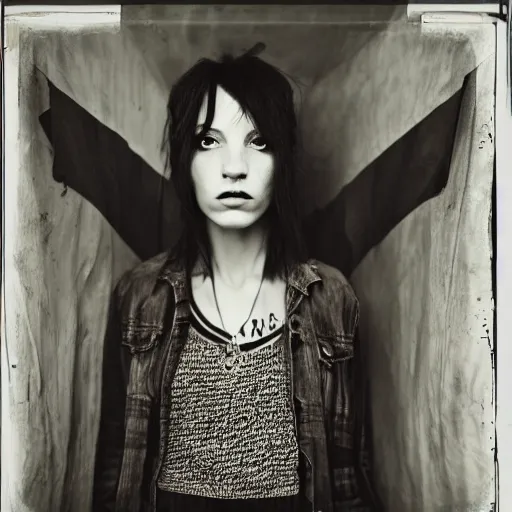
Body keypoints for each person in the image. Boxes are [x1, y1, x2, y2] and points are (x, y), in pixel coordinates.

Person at [92, 43, 380, 512]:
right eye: (209, 141)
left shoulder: (331, 297)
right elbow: (115, 467)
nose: (234, 167)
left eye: (258, 141)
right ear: (185, 157)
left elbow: (347, 477)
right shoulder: (140, 295)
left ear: (282, 159)